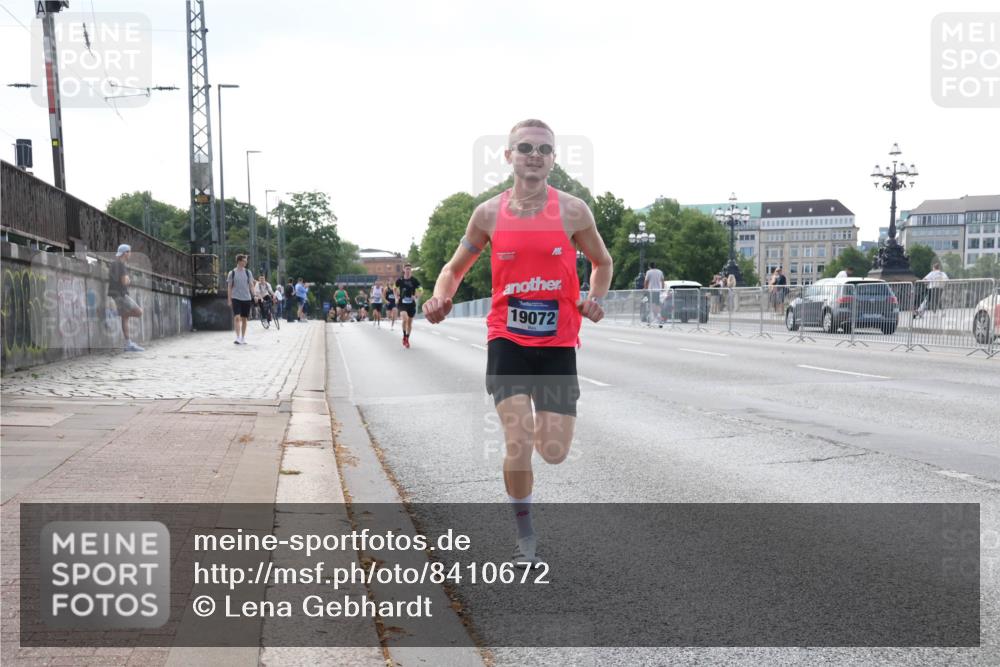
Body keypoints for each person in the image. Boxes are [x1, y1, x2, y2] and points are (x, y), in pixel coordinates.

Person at [422, 119, 613, 565]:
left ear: (553, 159)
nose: (533, 154)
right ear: (508, 156)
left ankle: (528, 513)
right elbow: (453, 269)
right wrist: (439, 297)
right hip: (506, 336)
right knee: (518, 434)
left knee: (554, 451)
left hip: (558, 342)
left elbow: (602, 262)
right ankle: (524, 534)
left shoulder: (573, 211)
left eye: (543, 149)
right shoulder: (488, 213)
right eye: (524, 147)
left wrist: (595, 298)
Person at [108, 244, 144, 352]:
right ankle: (116, 313)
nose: (130, 254)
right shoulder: (121, 265)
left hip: (115, 294)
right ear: (125, 253)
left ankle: (128, 344)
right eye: (129, 252)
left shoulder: (114, 264)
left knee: (125, 318)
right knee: (139, 312)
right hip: (121, 295)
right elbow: (124, 281)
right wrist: (128, 280)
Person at [227, 254, 255, 345]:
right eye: (244, 261)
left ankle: (243, 337)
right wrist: (229, 299)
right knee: (237, 317)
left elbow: (251, 285)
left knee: (244, 319)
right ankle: (238, 337)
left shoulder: (248, 272)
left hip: (246, 298)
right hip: (236, 298)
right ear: (239, 261)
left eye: (246, 261)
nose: (246, 262)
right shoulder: (232, 273)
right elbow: (229, 287)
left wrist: (254, 295)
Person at [396, 264, 421, 348]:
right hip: (402, 303)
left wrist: (416, 296)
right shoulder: (400, 280)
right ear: (403, 270)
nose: (408, 270)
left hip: (411, 304)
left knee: (409, 323)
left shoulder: (414, 280)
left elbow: (421, 289)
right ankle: (404, 335)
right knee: (405, 319)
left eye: (409, 269)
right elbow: (394, 288)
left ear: (411, 270)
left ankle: (406, 338)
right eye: (406, 269)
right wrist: (396, 296)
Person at [644, 261, 664, 326]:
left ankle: (652, 319)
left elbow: (646, 281)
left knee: (651, 306)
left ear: (649, 267)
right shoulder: (660, 272)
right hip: (658, 291)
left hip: (651, 291)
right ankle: (659, 318)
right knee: (657, 305)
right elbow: (662, 281)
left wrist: (645, 289)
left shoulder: (648, 272)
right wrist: (662, 289)